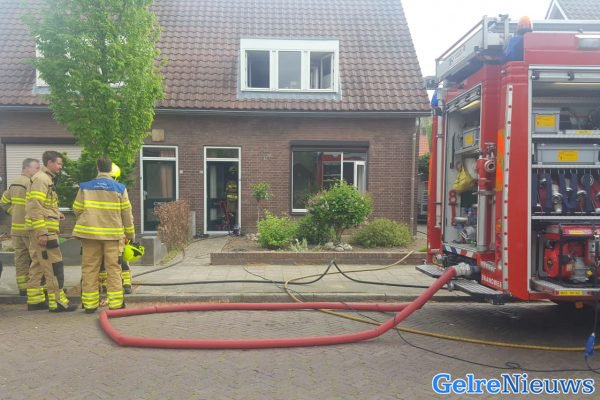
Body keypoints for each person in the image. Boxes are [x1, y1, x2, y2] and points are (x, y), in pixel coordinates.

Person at [73, 158, 135, 313]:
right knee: (113, 269)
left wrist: (88, 220)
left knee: (89, 269)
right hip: (112, 236)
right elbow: (127, 214)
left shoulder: (85, 187)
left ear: (97, 168)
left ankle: (89, 305)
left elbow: (77, 209)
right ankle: (116, 304)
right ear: (111, 170)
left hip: (90, 235)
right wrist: (130, 234)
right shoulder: (119, 188)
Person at [25, 151, 76, 312]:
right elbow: (35, 206)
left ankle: (35, 299)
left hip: (42, 228)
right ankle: (58, 302)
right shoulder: (42, 179)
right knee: (54, 266)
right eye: (59, 163)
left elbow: (44, 205)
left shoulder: (45, 179)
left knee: (38, 264)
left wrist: (56, 213)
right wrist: (42, 232)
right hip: (45, 231)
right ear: (49, 163)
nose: (60, 167)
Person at [1, 158, 40, 295]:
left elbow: (3, 202)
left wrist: (15, 212)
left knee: (21, 258)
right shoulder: (31, 183)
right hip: (29, 228)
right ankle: (36, 287)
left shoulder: (13, 183)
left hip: (16, 229)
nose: (38, 170)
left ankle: (23, 288)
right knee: (36, 258)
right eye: (36, 168)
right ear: (26, 168)